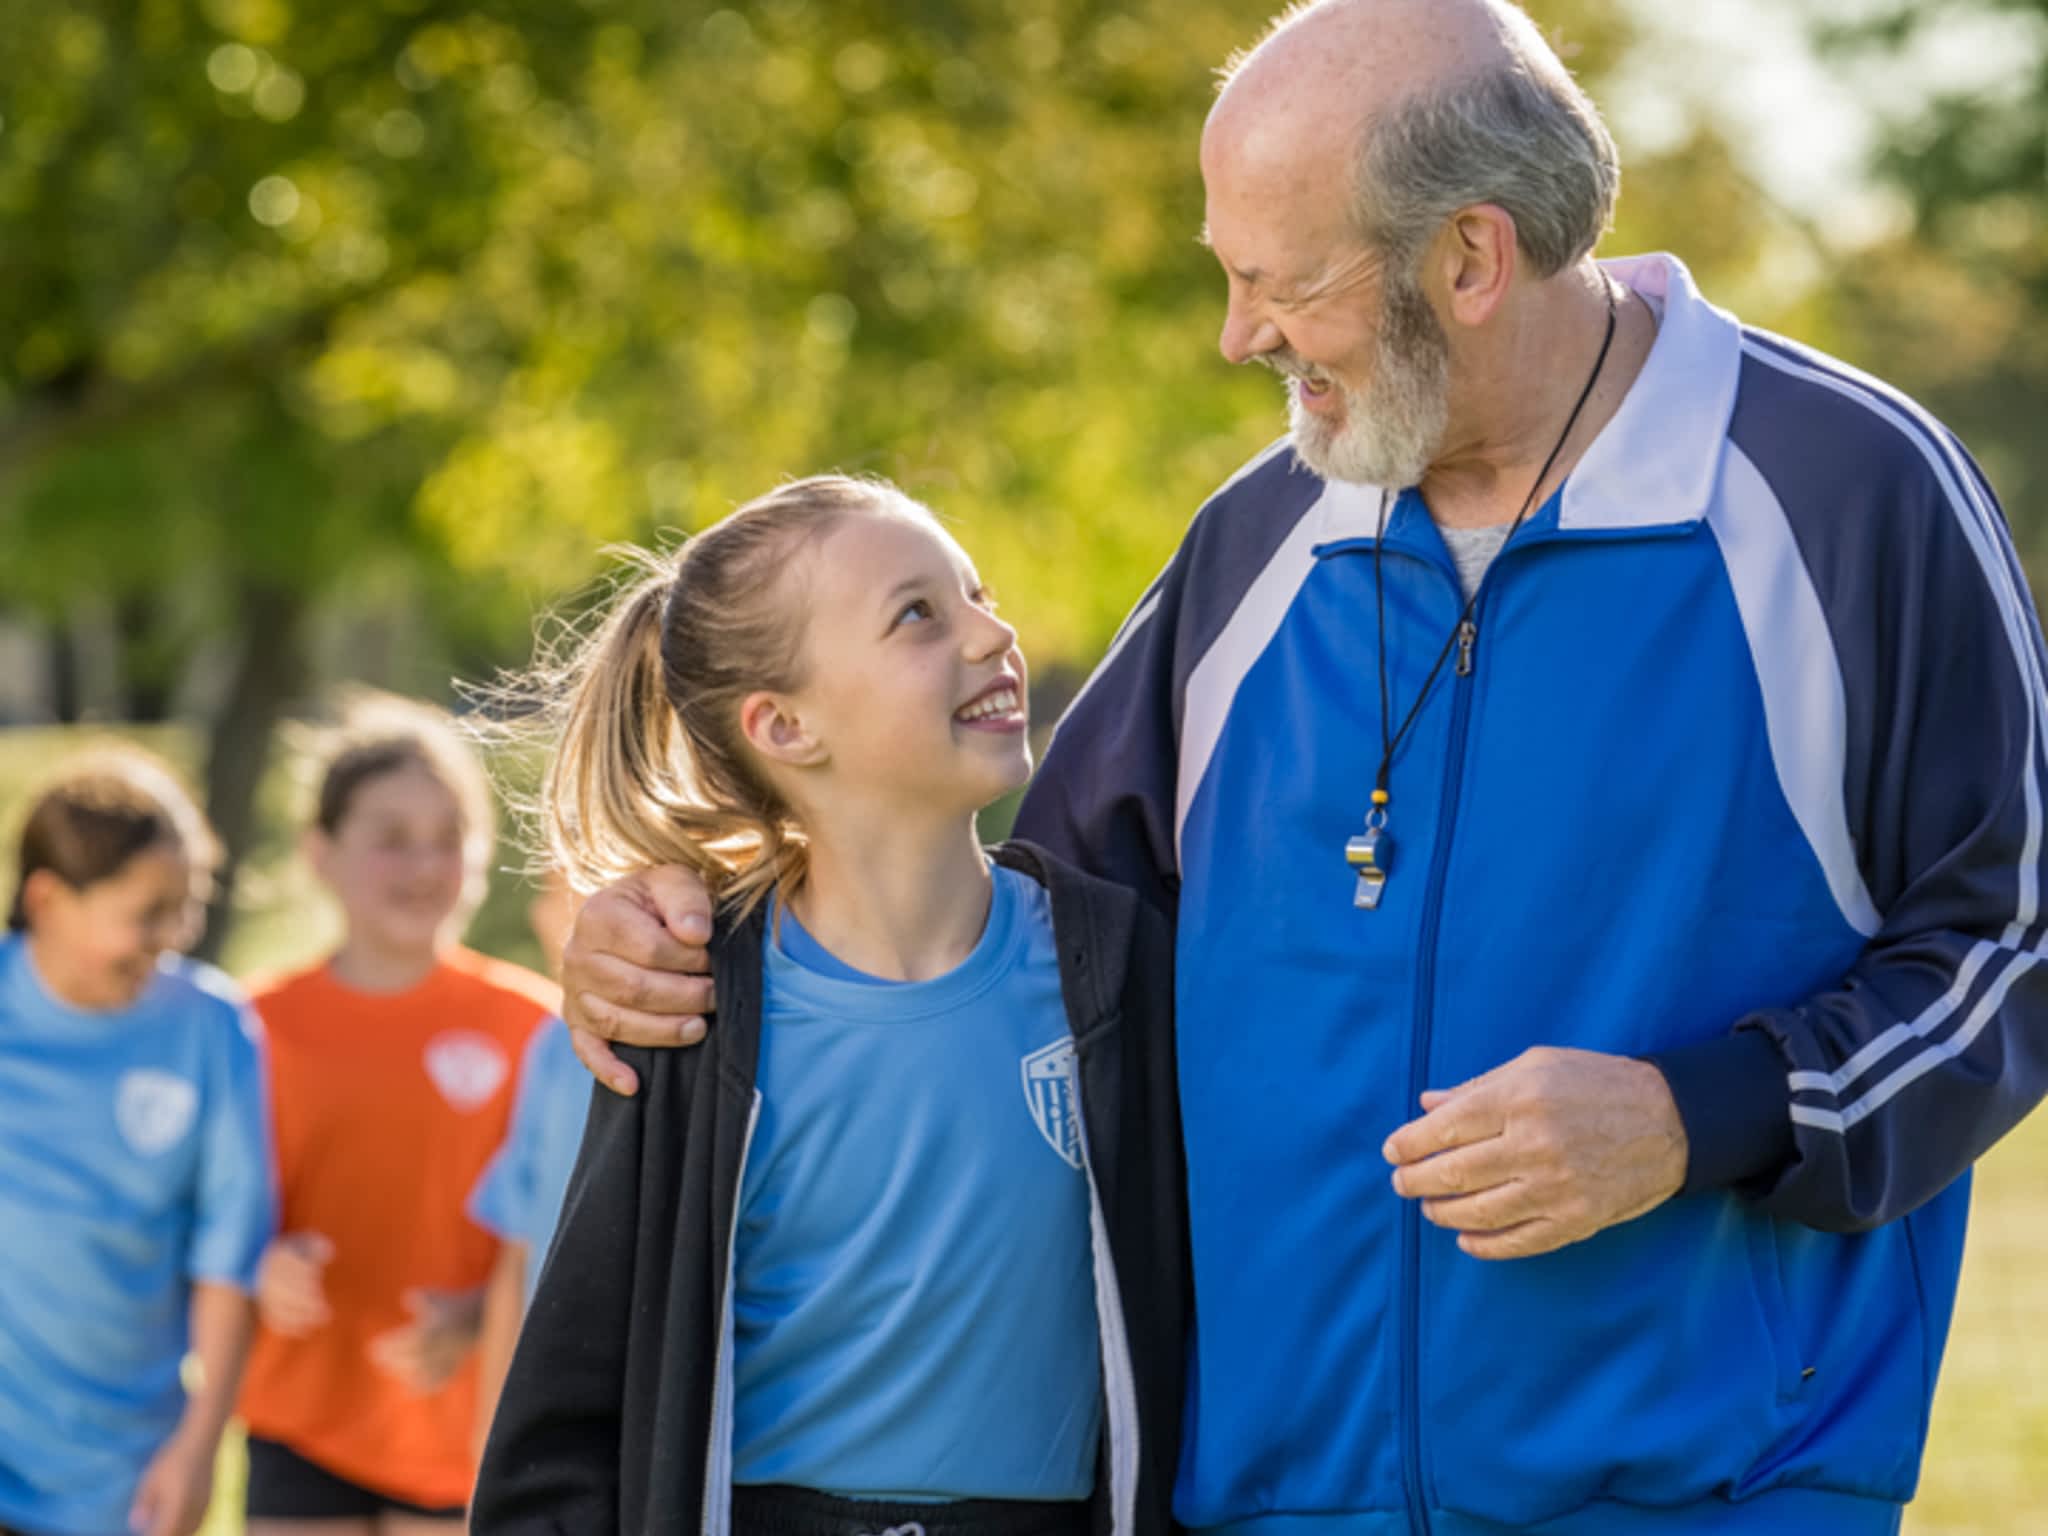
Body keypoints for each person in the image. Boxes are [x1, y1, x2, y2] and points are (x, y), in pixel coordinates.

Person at [554, 1, 2048, 1532]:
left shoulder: (1849, 494)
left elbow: (2010, 947)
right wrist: (695, 924)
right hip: (1264, 1502)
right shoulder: (1257, 543)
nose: (1240, 334)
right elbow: (1026, 935)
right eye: (1229, 273)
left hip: (1713, 1495)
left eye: (1286, 282)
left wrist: (1694, 1115)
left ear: (1470, 259)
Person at [470, 475, 1185, 1536]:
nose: (993, 634)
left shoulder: (1114, 966)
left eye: (977, 594)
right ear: (784, 726)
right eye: (918, 616)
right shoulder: (690, 1005)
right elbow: (573, 1395)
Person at [237, 696, 555, 1530]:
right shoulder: (254, 1028)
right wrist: (258, 1263)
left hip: (465, 1432)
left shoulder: (538, 1028)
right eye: (391, 838)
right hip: (301, 1418)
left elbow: (566, 1226)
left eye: (449, 837)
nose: (424, 865)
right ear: (321, 854)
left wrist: (481, 1313)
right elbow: (205, 1217)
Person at [0, 751, 273, 1536]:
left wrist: (197, 1450)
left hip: (126, 1483)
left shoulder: (213, 1030)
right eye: (149, 912)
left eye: (186, 907)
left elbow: (230, 1259)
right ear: (48, 898)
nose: (174, 936)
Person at [466, 872, 586, 1453]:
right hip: (548, 1414)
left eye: (562, 888)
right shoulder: (552, 1047)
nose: (542, 913)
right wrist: (493, 1436)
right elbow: (516, 1256)